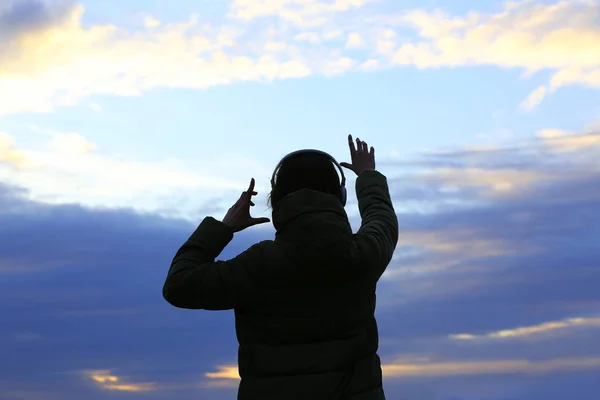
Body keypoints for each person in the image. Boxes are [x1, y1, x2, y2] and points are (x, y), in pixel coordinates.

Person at [162, 135, 399, 400]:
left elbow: (178, 285)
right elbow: (382, 219)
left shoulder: (258, 264)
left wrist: (224, 227)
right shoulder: (361, 254)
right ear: (340, 197)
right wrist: (367, 175)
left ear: (277, 201)